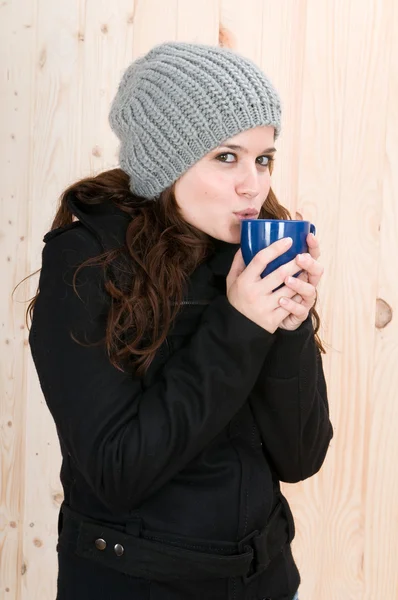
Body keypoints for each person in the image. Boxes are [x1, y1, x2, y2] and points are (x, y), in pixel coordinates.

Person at [28, 41, 333, 600]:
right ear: (164, 161)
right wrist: (239, 325)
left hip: (265, 581)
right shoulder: (87, 262)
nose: (254, 185)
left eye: (263, 158)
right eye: (226, 157)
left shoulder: (249, 251)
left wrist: (289, 328)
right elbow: (118, 472)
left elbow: (300, 458)